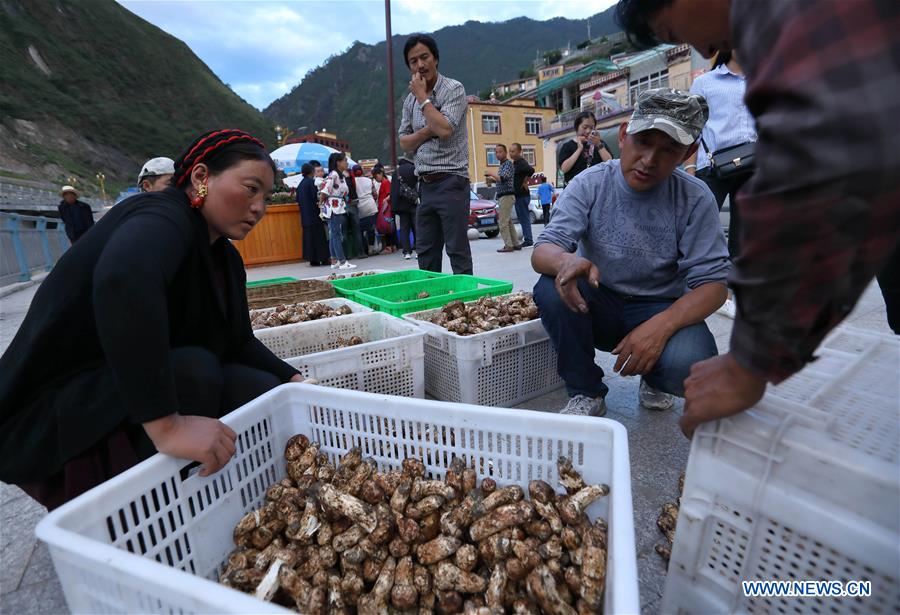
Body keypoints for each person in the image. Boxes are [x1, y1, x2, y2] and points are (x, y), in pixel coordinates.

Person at [615, 0, 900, 437]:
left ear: (689, 153)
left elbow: (813, 193)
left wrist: (751, 361)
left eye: (674, 32)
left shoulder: (793, 19)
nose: (701, 47)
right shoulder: (591, 184)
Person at [0, 129, 306, 511]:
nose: (259, 207)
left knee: (260, 387)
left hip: (116, 392)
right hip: (56, 413)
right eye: (250, 188)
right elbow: (123, 278)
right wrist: (167, 427)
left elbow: (238, 341)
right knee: (196, 370)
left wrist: (293, 380)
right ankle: (131, 513)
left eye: (265, 195)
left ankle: (213, 502)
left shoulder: (222, 257)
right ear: (200, 177)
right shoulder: (161, 215)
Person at [532, 89, 729, 418]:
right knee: (551, 287)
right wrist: (566, 260)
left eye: (668, 150)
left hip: (659, 306)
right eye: (643, 142)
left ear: (688, 153)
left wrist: (661, 327)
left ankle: (656, 377)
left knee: (694, 367)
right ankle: (586, 390)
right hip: (600, 299)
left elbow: (714, 287)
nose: (650, 160)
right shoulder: (590, 183)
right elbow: (543, 250)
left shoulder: (695, 198)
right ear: (624, 136)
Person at [398, 33, 473, 275]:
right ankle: (431, 307)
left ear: (436, 58)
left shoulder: (453, 89)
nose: (420, 65)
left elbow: (445, 129)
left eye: (424, 57)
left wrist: (422, 97)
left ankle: (468, 304)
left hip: (452, 181)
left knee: (457, 251)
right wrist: (429, 131)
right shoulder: (409, 101)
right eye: (413, 61)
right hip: (425, 187)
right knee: (426, 254)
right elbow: (404, 142)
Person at [683, 50, 755, 258]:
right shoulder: (705, 82)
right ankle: (697, 279)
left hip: (753, 164)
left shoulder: (761, 79)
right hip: (713, 164)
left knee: (744, 236)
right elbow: (692, 129)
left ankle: (735, 285)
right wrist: (690, 169)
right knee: (699, 227)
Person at [557, 112, 613, 186]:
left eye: (591, 128)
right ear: (577, 127)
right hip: (575, 190)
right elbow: (564, 169)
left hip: (597, 189)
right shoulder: (567, 146)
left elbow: (610, 163)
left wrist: (598, 144)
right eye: (585, 127)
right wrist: (579, 149)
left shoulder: (599, 144)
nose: (588, 131)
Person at [322, 152, 357, 270]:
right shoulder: (334, 174)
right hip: (333, 207)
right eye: (345, 161)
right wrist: (321, 203)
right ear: (338, 162)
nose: (346, 163)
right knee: (336, 234)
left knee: (334, 234)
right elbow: (325, 190)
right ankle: (342, 261)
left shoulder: (339, 175)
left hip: (338, 206)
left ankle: (334, 260)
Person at [485, 144, 520, 253]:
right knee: (508, 221)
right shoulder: (503, 165)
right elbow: (502, 180)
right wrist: (492, 181)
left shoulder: (508, 164)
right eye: (496, 152)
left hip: (507, 196)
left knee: (503, 222)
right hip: (504, 195)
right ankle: (515, 244)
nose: (498, 154)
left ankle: (508, 245)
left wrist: (491, 173)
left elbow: (503, 178)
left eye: (500, 152)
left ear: (505, 153)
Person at [296, 162, 330, 266]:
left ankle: (313, 260)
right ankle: (323, 258)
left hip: (305, 217)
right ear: (311, 172)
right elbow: (315, 198)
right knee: (319, 238)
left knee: (309, 239)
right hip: (314, 215)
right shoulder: (311, 183)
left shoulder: (300, 185)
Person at [390, 156, 419, 259]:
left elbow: (393, 191)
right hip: (414, 202)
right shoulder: (413, 169)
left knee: (404, 228)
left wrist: (394, 207)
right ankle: (418, 250)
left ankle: (406, 252)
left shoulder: (396, 172)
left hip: (402, 206)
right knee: (417, 227)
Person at [509, 143, 534, 247]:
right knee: (522, 217)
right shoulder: (515, 163)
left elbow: (531, 170)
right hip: (518, 195)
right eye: (510, 151)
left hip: (522, 195)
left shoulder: (521, 162)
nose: (511, 153)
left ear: (519, 152)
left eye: (513, 151)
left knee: (524, 218)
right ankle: (527, 238)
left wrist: (525, 180)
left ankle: (528, 240)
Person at [352, 164, 379, 255]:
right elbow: (375, 195)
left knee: (360, 230)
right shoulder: (369, 180)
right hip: (370, 206)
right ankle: (371, 248)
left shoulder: (352, 182)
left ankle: (364, 250)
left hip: (359, 208)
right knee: (370, 229)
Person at [372, 165, 397, 254]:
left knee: (387, 227)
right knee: (389, 227)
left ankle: (389, 247)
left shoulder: (385, 182)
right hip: (387, 209)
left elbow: (389, 194)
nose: (375, 179)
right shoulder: (385, 182)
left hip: (386, 210)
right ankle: (392, 246)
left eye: (376, 176)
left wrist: (384, 200)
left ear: (380, 174)